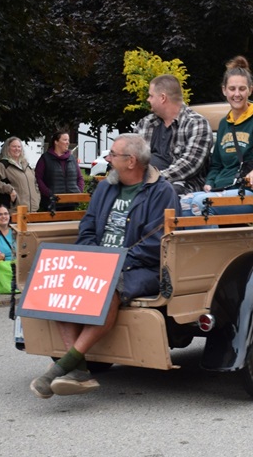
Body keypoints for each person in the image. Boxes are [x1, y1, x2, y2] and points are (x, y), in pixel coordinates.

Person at [29, 133, 179, 399]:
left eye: (112, 154)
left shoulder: (161, 191)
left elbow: (155, 244)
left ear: (131, 161)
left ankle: (63, 366)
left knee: (108, 286)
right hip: (100, 261)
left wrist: (114, 263)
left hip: (141, 268)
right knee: (58, 282)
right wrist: (92, 258)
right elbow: (87, 226)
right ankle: (80, 369)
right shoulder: (106, 186)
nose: (108, 159)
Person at [180, 57, 253, 220]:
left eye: (242, 89)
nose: (237, 94)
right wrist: (210, 182)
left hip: (247, 192)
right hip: (221, 189)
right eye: (232, 89)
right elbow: (216, 164)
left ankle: (212, 245)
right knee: (183, 202)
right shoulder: (224, 124)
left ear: (250, 90)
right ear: (224, 90)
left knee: (199, 204)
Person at [135, 74, 213, 194]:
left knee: (164, 191)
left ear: (162, 98)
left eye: (151, 96)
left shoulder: (196, 123)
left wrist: (154, 179)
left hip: (183, 185)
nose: (148, 99)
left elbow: (190, 164)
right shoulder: (145, 123)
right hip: (144, 184)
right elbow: (133, 157)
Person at [0, 136, 41, 212]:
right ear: (7, 148)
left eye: (19, 147)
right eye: (14, 146)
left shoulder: (26, 165)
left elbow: (35, 183)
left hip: (33, 210)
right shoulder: (3, 165)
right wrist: (9, 189)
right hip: (15, 211)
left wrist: (37, 196)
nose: (17, 149)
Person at [35, 130, 84, 211]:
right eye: (65, 140)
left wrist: (78, 192)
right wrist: (49, 194)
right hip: (52, 204)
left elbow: (80, 177)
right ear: (56, 142)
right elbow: (38, 179)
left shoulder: (72, 158)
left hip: (70, 203)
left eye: (68, 140)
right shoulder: (45, 158)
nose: (68, 142)